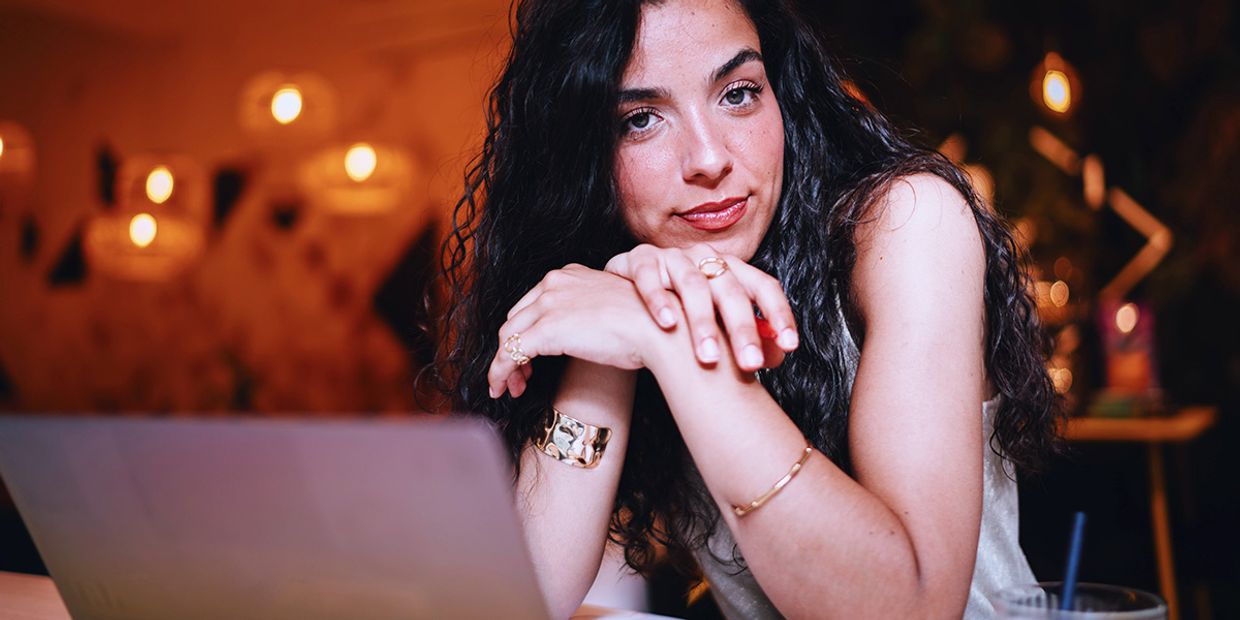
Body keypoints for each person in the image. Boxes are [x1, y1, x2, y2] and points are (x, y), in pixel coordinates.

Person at [431, 0, 1062, 617]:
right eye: (640, 119)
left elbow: (913, 608)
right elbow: (528, 596)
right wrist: (618, 328)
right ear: (581, 155)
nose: (709, 159)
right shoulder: (636, 279)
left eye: (737, 93)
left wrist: (676, 346)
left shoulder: (907, 224)